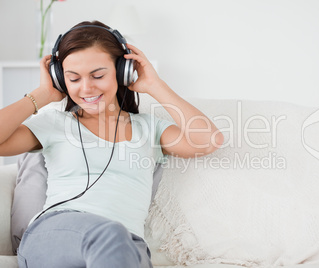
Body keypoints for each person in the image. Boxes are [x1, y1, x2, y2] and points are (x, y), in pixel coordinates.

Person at [0, 20, 223, 268]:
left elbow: (209, 140)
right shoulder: (54, 123)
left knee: (115, 239)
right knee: (109, 235)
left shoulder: (149, 128)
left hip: (127, 244)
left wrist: (154, 85)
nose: (86, 88)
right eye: (73, 79)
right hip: (55, 234)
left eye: (98, 75)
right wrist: (42, 95)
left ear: (121, 72)